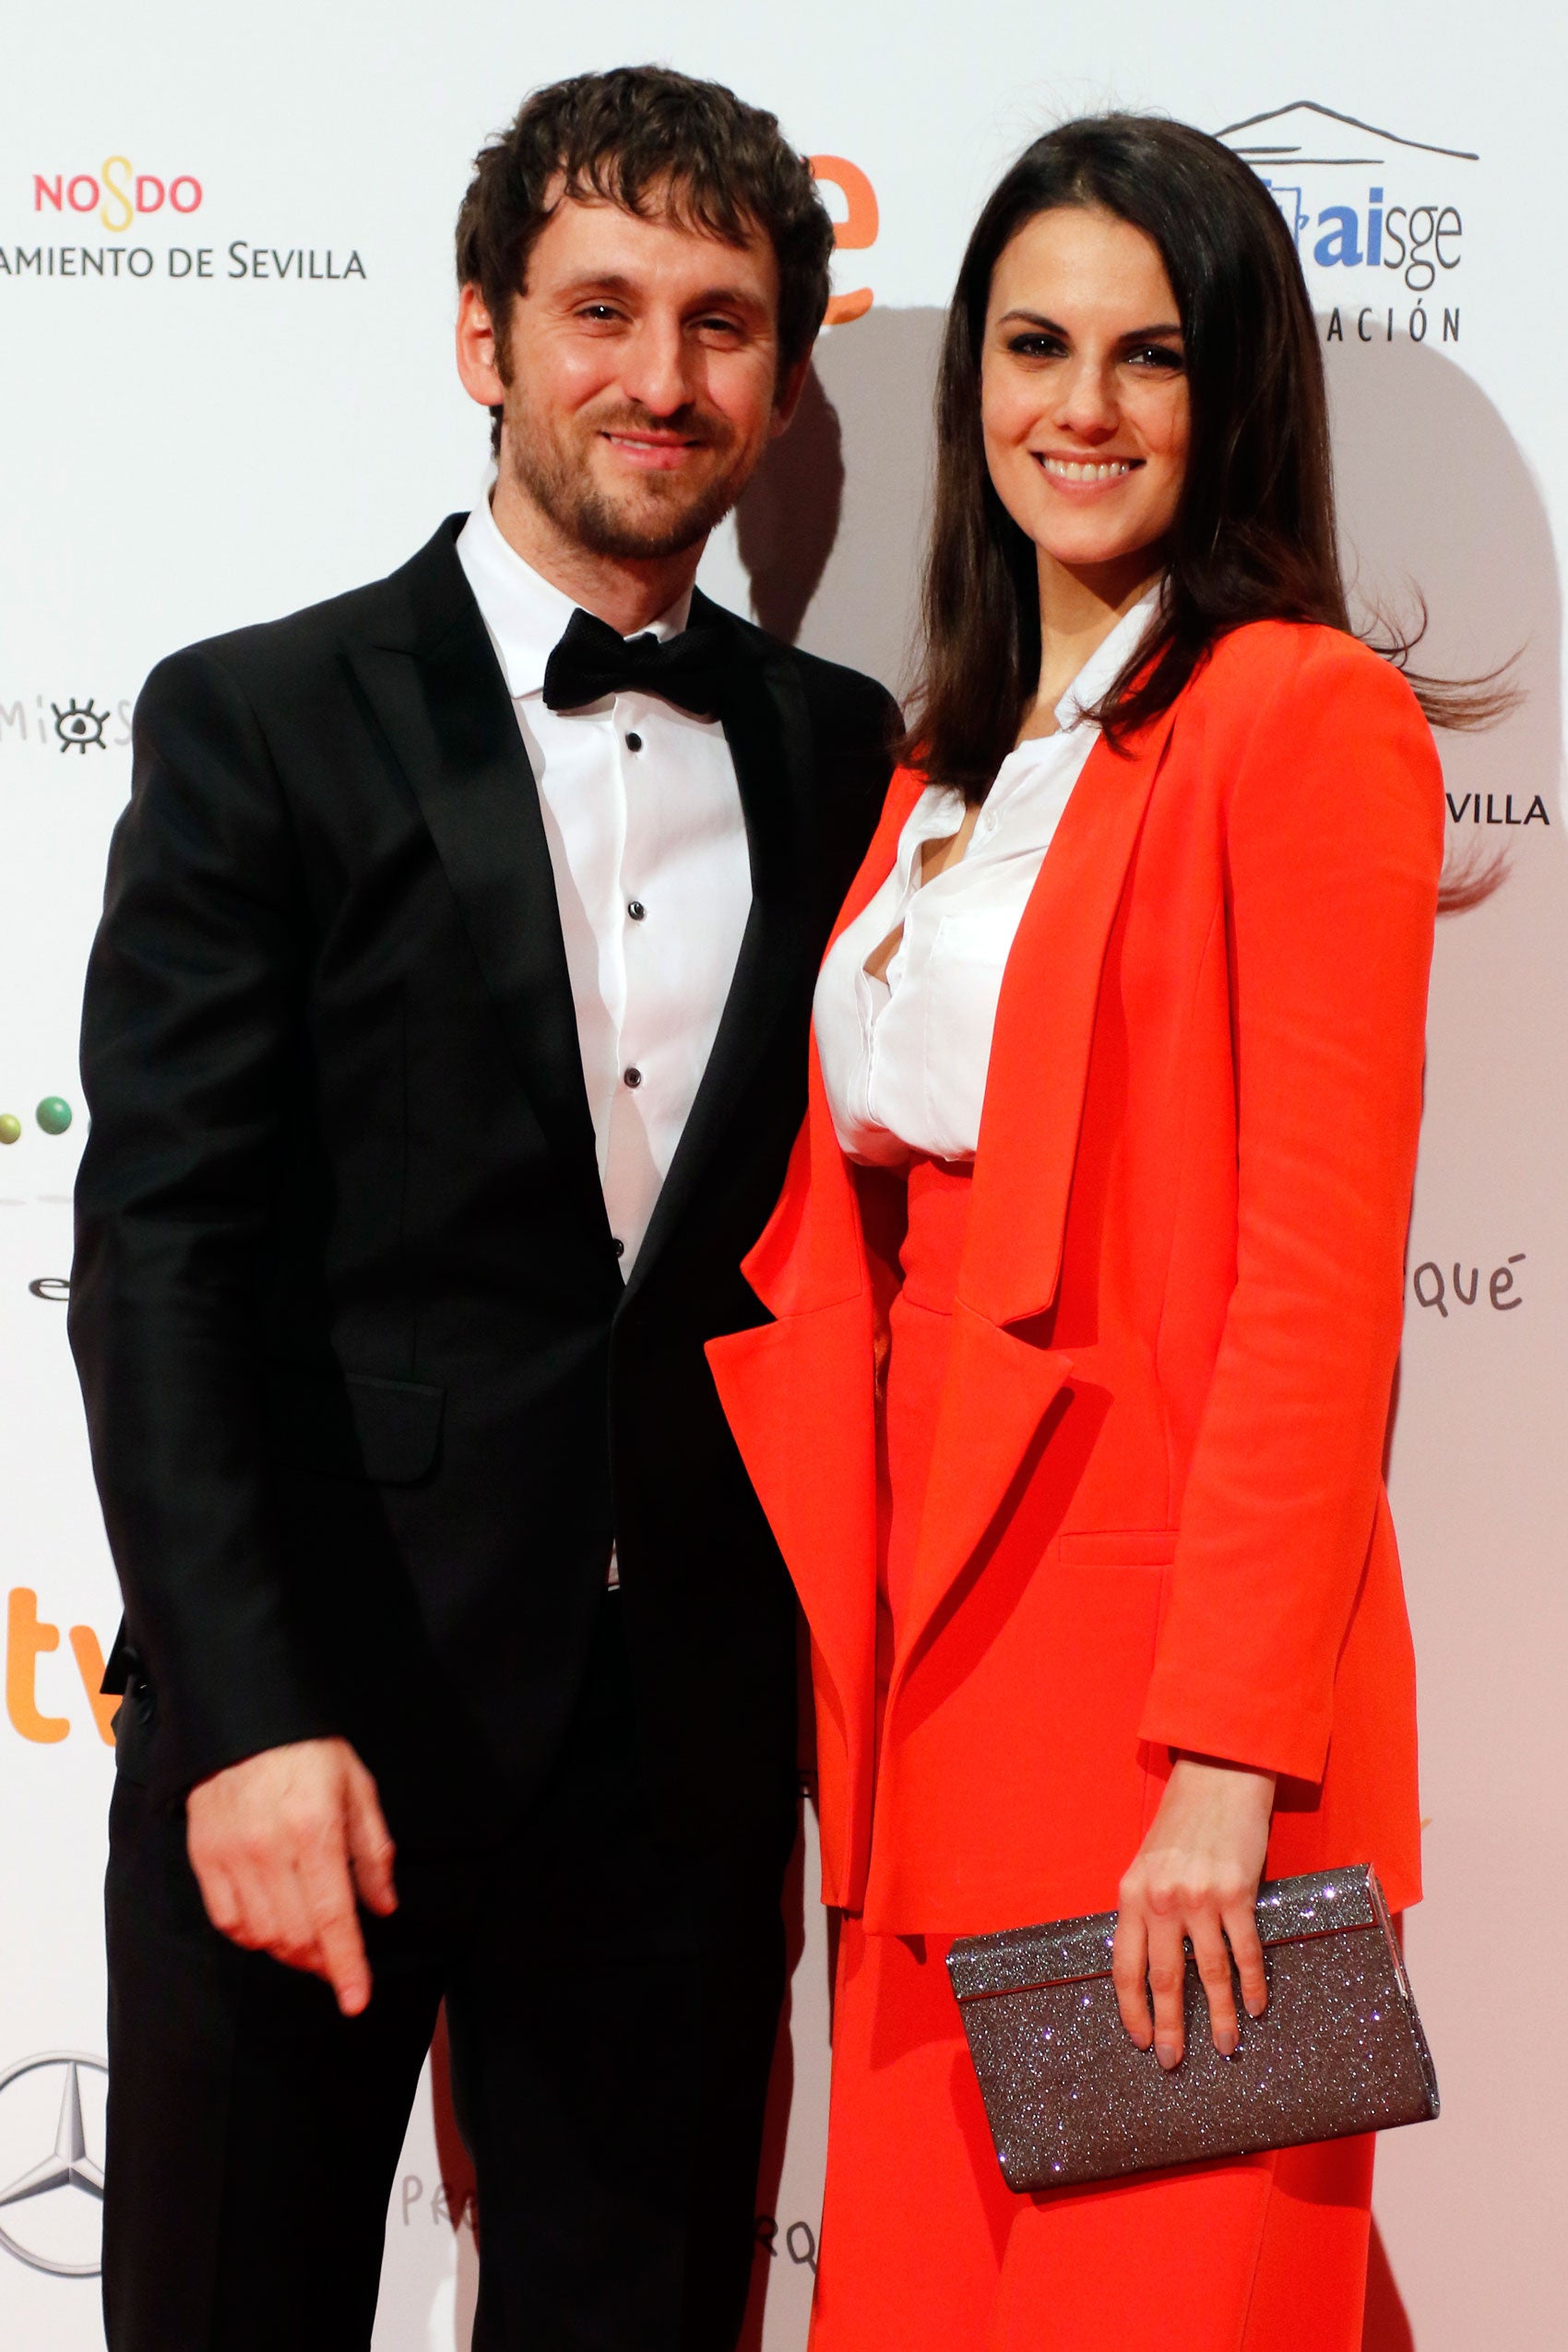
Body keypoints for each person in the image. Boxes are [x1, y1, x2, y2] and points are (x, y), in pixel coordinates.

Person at [69, 65, 896, 2352]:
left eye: (721, 321)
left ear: (785, 378)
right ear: (481, 337)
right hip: (315, 1718)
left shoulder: (849, 755)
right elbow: (164, 1265)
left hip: (679, 1758)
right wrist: (240, 1716)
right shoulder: (258, 721)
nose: (659, 375)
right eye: (600, 306)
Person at [708, 113, 1462, 2350]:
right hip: (926, 1696)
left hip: (1155, 1729)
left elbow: (1320, 1289)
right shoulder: (946, 763)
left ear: (1232, 395)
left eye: (1150, 357)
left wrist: (1227, 1772)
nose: (1081, 409)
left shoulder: (1295, 722)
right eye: (1033, 347)